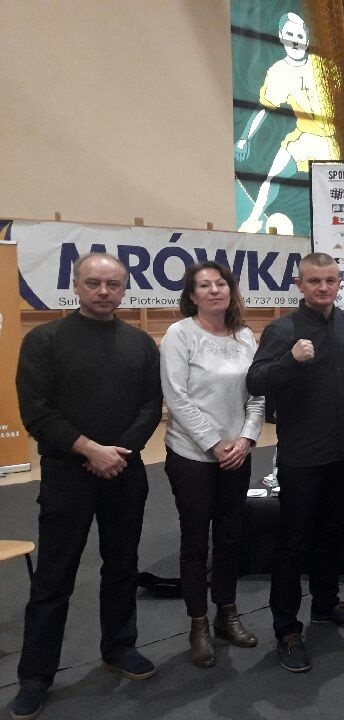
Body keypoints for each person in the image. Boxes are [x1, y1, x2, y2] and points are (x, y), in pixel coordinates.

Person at [11, 253, 162, 719]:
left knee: (122, 566)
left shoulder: (140, 343)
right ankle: (35, 676)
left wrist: (119, 453)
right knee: (54, 577)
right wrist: (90, 450)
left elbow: (151, 406)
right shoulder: (44, 340)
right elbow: (37, 412)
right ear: (75, 286)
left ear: (124, 289)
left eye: (112, 284)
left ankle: (119, 647)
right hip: (67, 474)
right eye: (93, 283)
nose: (103, 291)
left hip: (125, 471)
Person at [246, 252, 344, 673]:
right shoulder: (282, 330)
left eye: (330, 280)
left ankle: (326, 603)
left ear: (339, 282)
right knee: (293, 541)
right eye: (314, 281)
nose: (323, 287)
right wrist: (290, 360)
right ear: (300, 285)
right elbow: (255, 381)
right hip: (300, 455)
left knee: (331, 532)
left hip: (342, 451)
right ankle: (286, 628)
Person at [160, 262, 265, 668]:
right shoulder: (180, 334)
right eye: (204, 285)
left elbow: (257, 393)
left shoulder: (244, 336)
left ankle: (227, 614)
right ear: (192, 295)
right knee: (194, 543)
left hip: (236, 453)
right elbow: (177, 396)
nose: (214, 290)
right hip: (192, 455)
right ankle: (198, 624)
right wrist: (214, 443)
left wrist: (247, 438)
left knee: (230, 538)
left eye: (220, 283)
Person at [235, 12, 339, 233]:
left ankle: (332, 233)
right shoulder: (278, 72)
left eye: (299, 36)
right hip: (303, 137)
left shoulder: (326, 68)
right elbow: (265, 108)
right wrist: (244, 139)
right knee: (271, 178)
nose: (295, 41)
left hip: (330, 142)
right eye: (290, 35)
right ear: (281, 36)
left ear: (307, 39)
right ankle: (251, 223)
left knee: (336, 191)